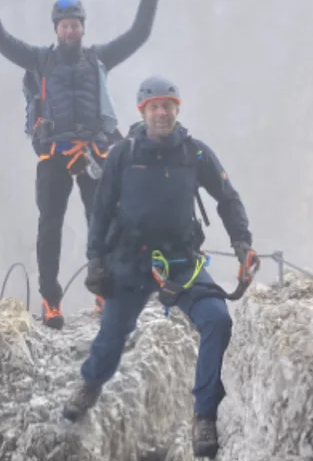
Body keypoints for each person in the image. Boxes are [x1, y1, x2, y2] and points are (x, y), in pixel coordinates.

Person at [60, 75, 259, 459]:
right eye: (154, 107)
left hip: (182, 260)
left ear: (177, 109)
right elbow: (100, 211)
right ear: (143, 112)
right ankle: (91, 384)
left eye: (168, 105)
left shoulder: (195, 153)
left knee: (217, 320)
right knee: (111, 337)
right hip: (129, 261)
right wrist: (95, 260)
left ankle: (203, 415)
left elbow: (227, 197)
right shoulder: (123, 154)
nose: (162, 113)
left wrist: (242, 242)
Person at [0, 0, 163, 329]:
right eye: (65, 25)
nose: (71, 30)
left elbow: (138, 34)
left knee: (100, 224)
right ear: (57, 30)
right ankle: (50, 300)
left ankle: (103, 292)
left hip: (94, 153)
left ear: (82, 28)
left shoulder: (99, 58)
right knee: (50, 226)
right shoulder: (40, 60)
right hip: (54, 154)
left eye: (75, 25)